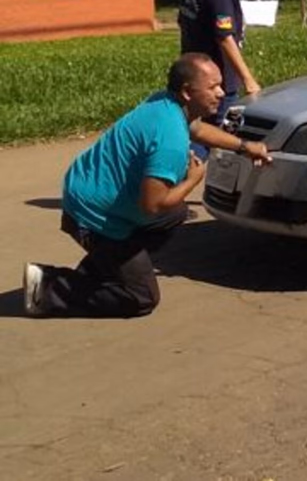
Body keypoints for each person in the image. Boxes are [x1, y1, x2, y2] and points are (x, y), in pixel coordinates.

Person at [22, 53, 273, 319]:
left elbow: (197, 130)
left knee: (176, 213)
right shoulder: (170, 139)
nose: (222, 93)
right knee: (141, 297)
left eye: (220, 84)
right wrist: (192, 180)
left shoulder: (166, 103)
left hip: (88, 190)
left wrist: (245, 147)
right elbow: (152, 204)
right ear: (188, 92)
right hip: (91, 215)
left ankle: (105, 267)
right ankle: (48, 287)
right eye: (212, 87)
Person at [178, 0, 262, 148]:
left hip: (193, 71)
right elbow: (224, 37)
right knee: (211, 136)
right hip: (217, 77)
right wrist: (247, 78)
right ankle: (190, 176)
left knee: (193, 127)